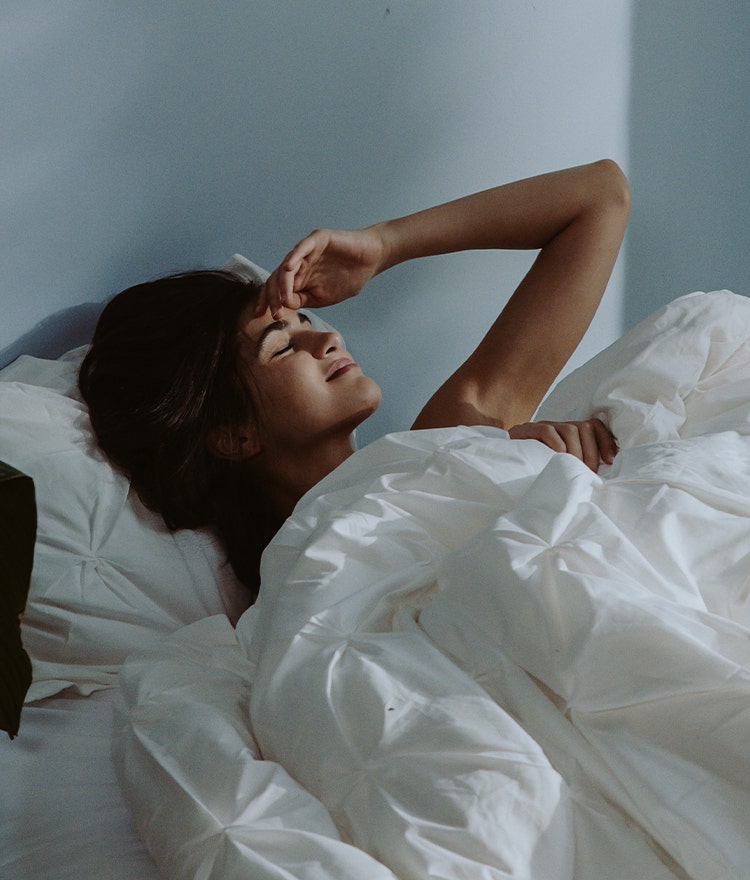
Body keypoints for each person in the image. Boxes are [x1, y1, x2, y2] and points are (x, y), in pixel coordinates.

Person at [79, 159, 629, 601]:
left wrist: (386, 245)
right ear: (233, 435)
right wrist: (515, 502)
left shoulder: (452, 440)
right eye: (282, 347)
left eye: (305, 321)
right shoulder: (298, 585)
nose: (326, 339)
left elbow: (601, 194)